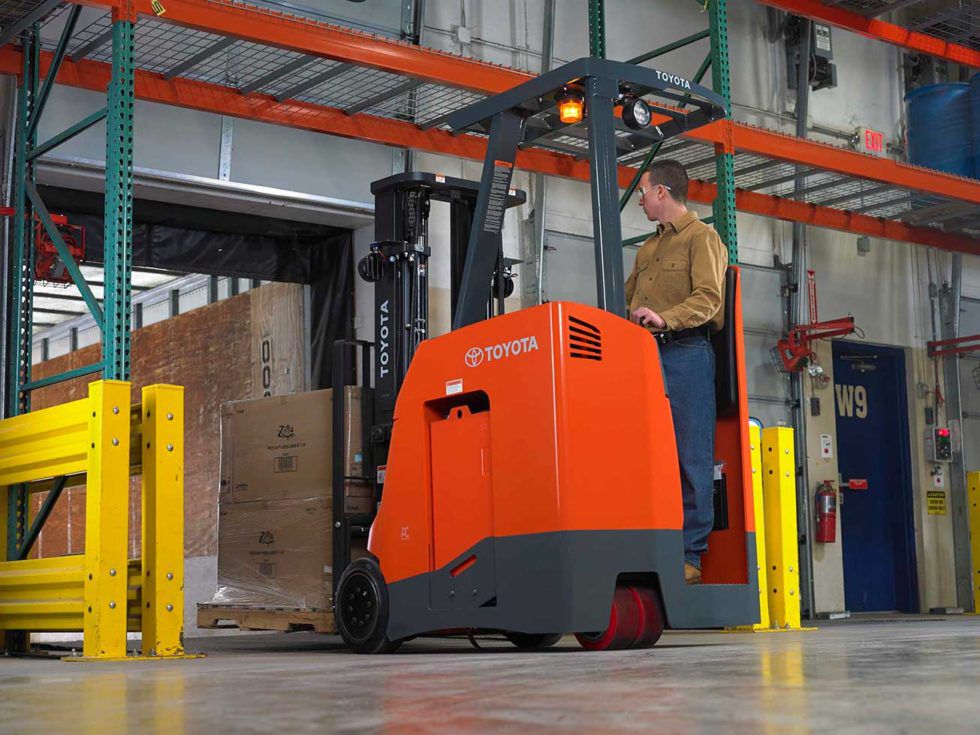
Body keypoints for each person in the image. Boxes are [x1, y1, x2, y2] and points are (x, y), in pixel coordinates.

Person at [624, 160, 728, 585]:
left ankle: (690, 556)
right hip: (644, 356)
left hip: (685, 353)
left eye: (643, 192)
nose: (641, 201)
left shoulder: (703, 238)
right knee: (643, 456)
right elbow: (629, 301)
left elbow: (709, 299)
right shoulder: (647, 249)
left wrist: (665, 319)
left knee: (691, 456)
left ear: (662, 192)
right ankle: (647, 547)